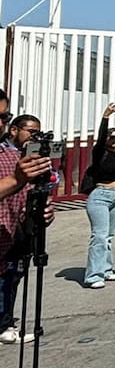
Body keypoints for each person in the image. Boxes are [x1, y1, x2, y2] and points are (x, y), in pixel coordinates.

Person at [0, 114, 56, 345]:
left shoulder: (19, 157)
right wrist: (16, 178)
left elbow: (32, 192)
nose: (34, 137)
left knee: (12, 278)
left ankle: (5, 322)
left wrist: (43, 209)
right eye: (30, 132)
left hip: (17, 230)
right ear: (15, 130)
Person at [83, 103, 115, 288]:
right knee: (99, 236)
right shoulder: (99, 153)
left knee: (109, 236)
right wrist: (106, 116)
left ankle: (106, 270)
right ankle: (93, 276)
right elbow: (101, 138)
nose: (114, 139)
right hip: (100, 197)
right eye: (112, 136)